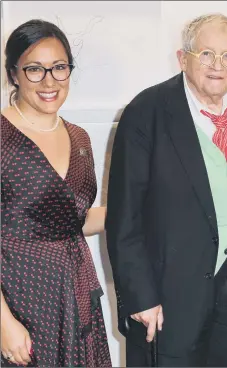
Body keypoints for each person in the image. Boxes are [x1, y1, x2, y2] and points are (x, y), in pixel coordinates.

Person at [106, 13, 227, 367]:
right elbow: (123, 216)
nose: (217, 65)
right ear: (183, 58)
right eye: (206, 54)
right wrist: (140, 296)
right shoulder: (146, 111)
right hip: (170, 294)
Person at [1, 19, 111, 367]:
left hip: (73, 298)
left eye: (59, 68)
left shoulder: (80, 138)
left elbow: (73, 223)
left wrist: (135, 209)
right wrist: (4, 323)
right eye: (34, 69)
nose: (49, 81)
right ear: (14, 73)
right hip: (18, 301)